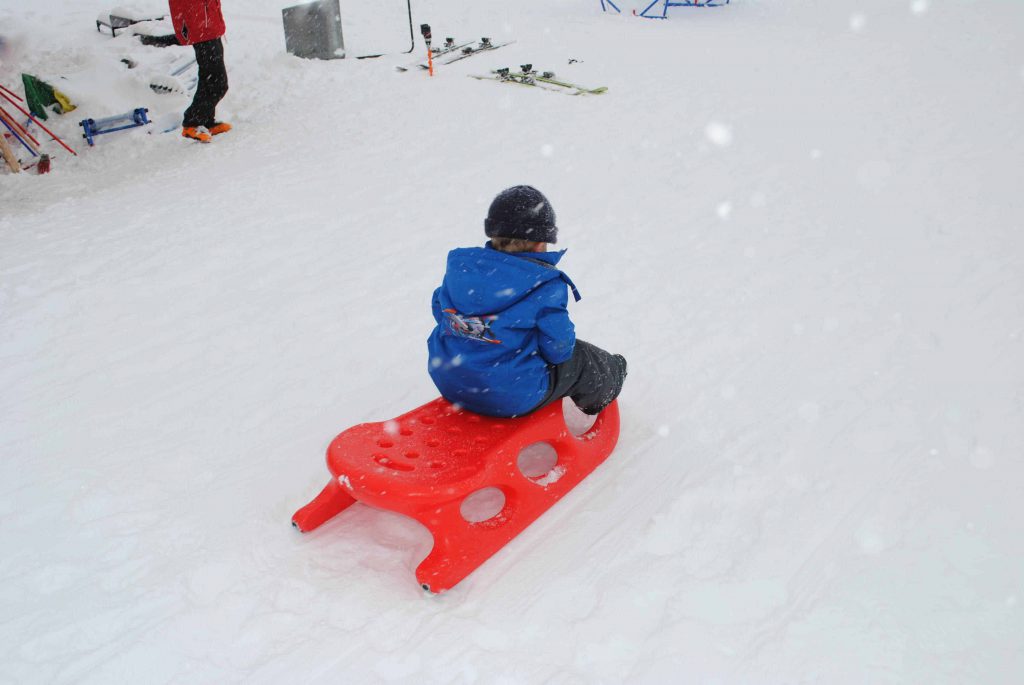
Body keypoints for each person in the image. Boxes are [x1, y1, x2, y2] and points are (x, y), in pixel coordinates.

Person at [427, 185, 627, 418]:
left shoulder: (461, 270)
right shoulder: (543, 284)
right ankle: (611, 378)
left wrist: (474, 332)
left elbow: (438, 309)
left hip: (450, 381)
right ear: (541, 242)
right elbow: (559, 350)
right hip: (512, 395)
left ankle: (480, 379)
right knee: (581, 359)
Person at [169, 0, 230, 143]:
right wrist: (183, 27)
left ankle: (206, 120)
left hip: (210, 26)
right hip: (200, 29)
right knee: (217, 82)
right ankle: (192, 122)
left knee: (209, 78)